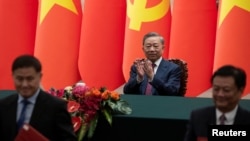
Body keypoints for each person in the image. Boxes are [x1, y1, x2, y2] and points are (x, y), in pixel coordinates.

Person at [0, 55, 77, 141]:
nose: (25, 84)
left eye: (30, 79)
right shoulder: (3, 106)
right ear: (13, 76)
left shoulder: (55, 107)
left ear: (40, 77)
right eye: (20, 79)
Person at [184, 65, 250, 141]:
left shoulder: (247, 119)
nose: (220, 94)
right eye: (216, 89)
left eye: (226, 90)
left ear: (240, 91)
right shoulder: (198, 117)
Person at [123, 32, 182, 96]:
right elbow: (127, 91)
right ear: (143, 49)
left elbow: (172, 92)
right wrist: (138, 79)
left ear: (163, 48)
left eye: (155, 46)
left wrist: (152, 78)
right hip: (140, 104)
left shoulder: (173, 68)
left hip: (162, 104)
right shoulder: (137, 67)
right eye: (148, 46)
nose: (152, 49)